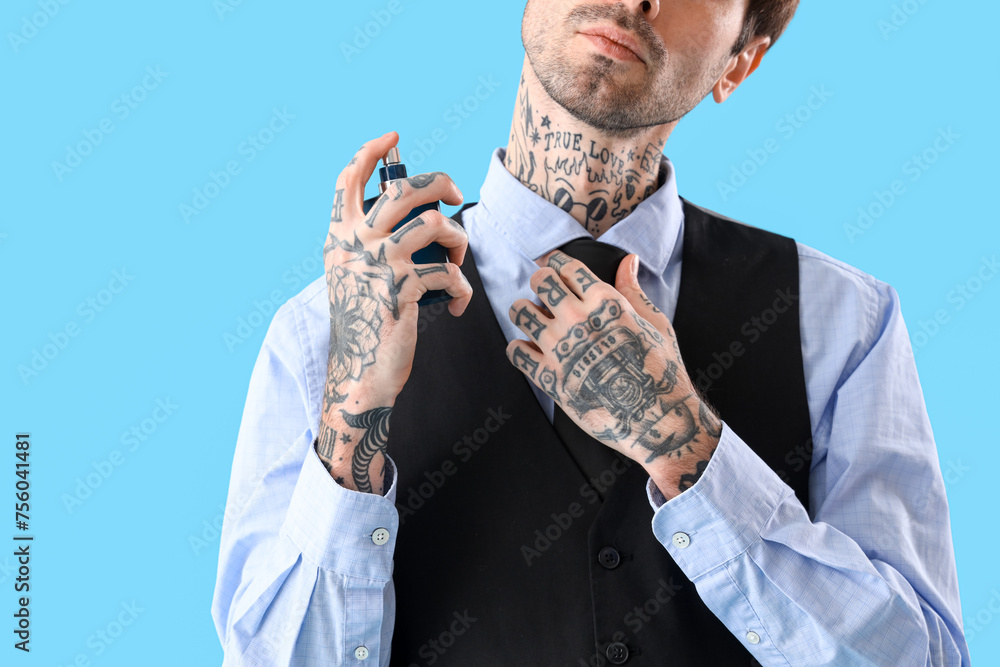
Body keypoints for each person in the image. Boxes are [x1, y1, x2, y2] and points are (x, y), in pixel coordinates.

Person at [211, 0, 969, 664]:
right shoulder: (321, 333)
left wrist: (687, 446)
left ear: (741, 61)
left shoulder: (844, 323)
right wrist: (353, 418)